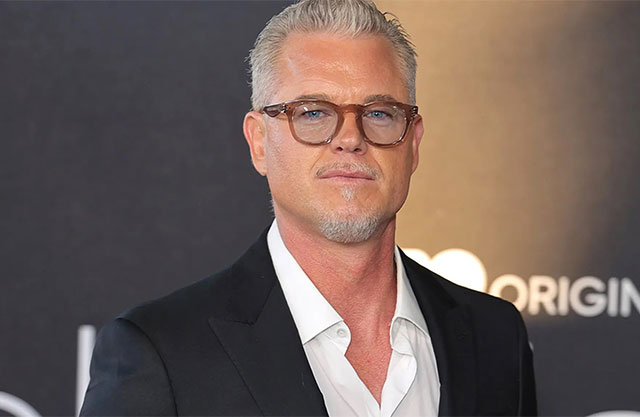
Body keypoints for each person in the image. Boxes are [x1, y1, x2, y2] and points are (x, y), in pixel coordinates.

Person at [81, 0, 537, 415]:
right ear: (259, 142)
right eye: (313, 113)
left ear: (413, 144)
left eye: (379, 113)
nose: (350, 139)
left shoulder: (496, 338)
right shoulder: (162, 353)